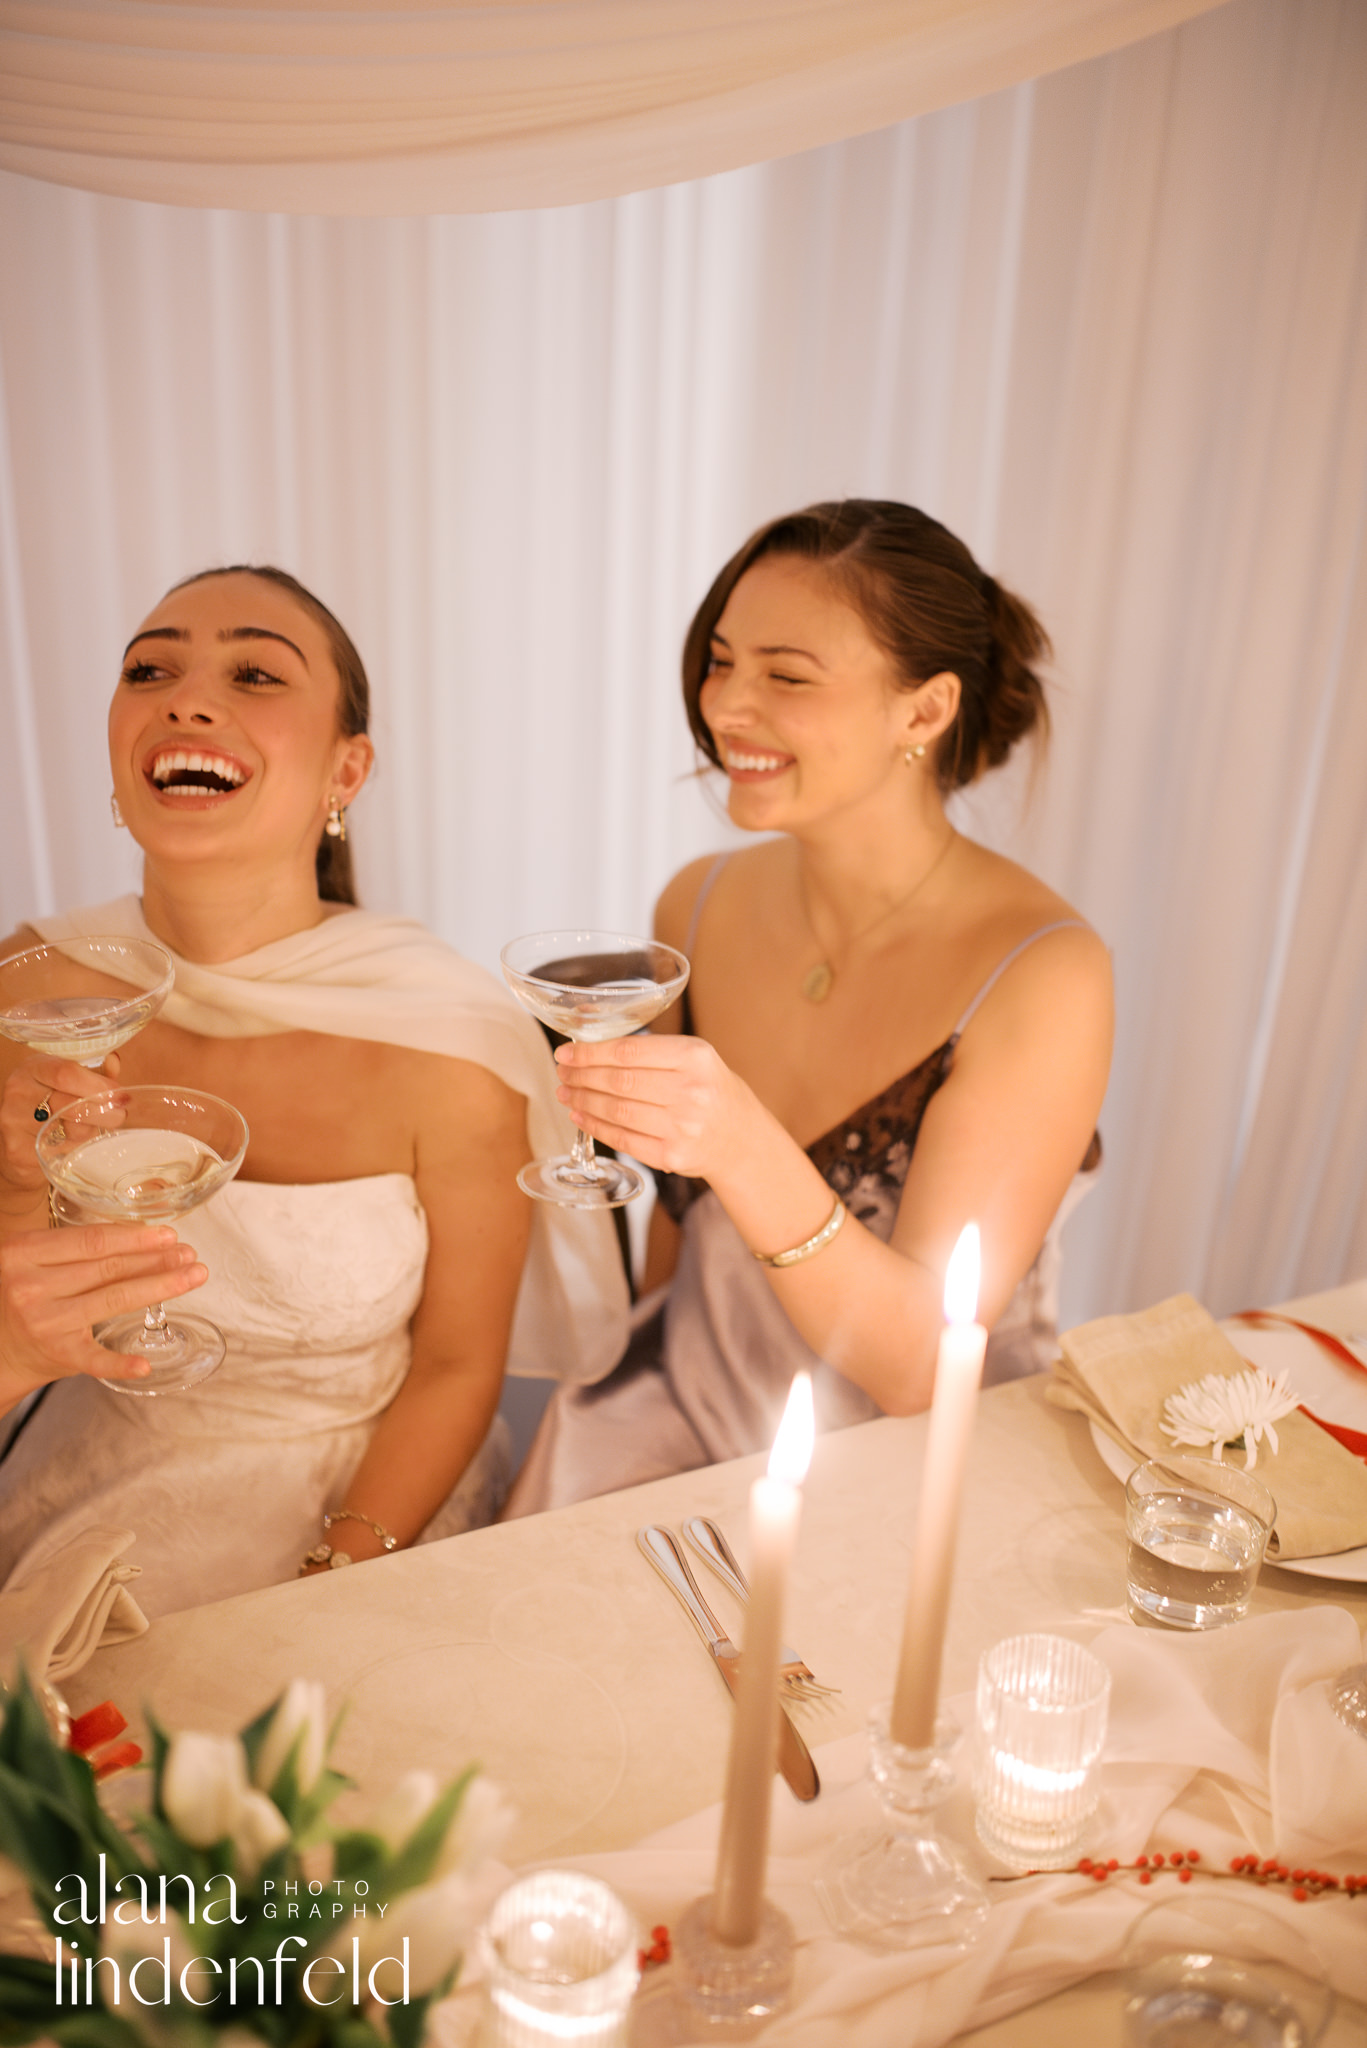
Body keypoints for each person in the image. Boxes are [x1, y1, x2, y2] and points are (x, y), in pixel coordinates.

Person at [0, 566, 626, 1617]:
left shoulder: (453, 1039)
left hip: (358, 1501)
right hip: (81, 1482)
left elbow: (458, 1365)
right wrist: (22, 1187)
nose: (188, 698)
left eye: (255, 673)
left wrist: (332, 1580)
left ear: (347, 768)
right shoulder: (32, 990)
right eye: (149, 668)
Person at [507, 500, 1113, 1513]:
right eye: (720, 660)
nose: (726, 707)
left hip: (903, 1481)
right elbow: (676, 1224)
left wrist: (742, 1143)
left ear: (922, 711)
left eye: (785, 676)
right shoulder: (694, 901)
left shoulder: (1040, 972)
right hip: (668, 1421)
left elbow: (920, 1371)